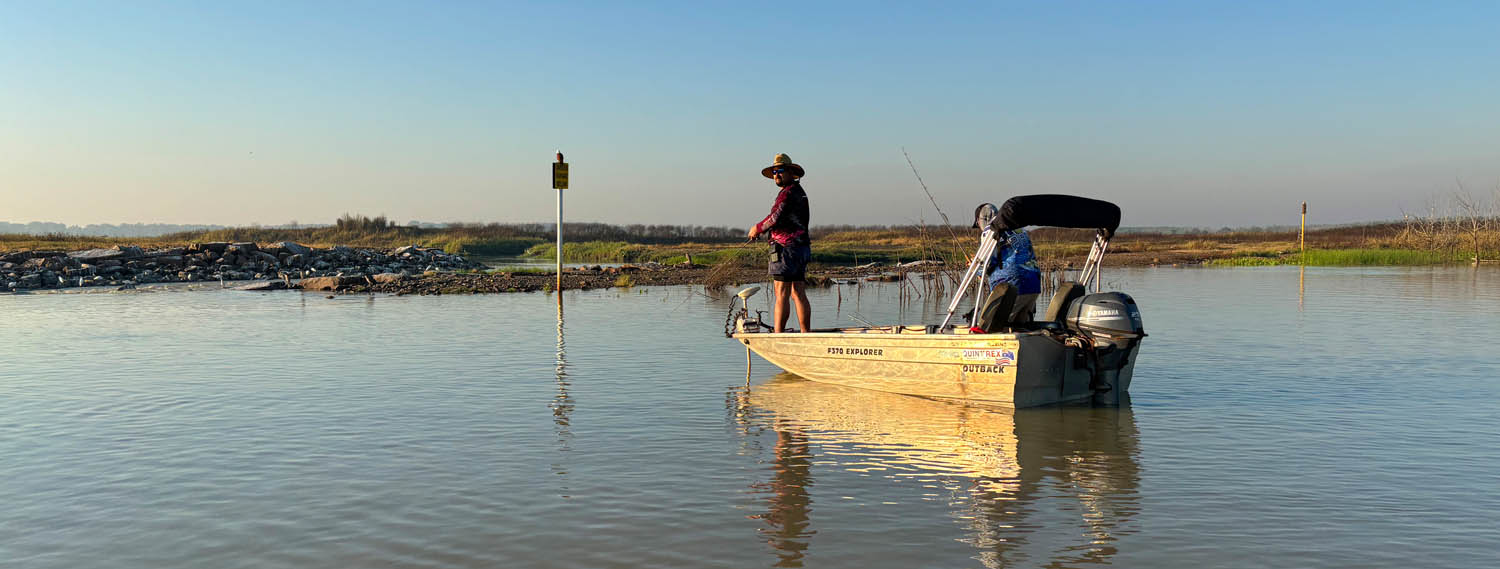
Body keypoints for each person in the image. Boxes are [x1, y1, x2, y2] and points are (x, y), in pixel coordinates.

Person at [747, 153, 812, 333]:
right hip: (801, 248)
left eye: (780, 171)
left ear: (791, 172)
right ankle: (806, 334)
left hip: (786, 250)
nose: (776, 175)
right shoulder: (799, 192)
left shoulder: (788, 193)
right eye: (774, 171)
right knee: (797, 292)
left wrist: (757, 228)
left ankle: (778, 335)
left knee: (781, 292)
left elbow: (775, 217)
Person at [973, 203, 1041, 323]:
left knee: (997, 325)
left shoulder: (990, 230)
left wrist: (977, 271)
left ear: (981, 219)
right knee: (1022, 326)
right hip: (1033, 283)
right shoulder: (1017, 227)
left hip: (1012, 285)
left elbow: (986, 261)